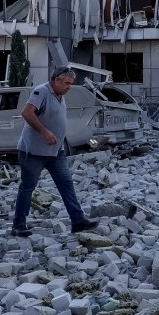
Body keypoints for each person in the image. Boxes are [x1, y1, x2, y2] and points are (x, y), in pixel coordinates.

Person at [12, 66, 99, 237]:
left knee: (66, 185)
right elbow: (27, 113)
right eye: (66, 83)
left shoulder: (60, 95)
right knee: (27, 188)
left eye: (71, 84)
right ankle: (18, 225)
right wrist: (44, 132)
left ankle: (78, 221)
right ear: (56, 80)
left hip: (55, 152)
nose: (69, 87)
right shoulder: (41, 92)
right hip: (34, 152)